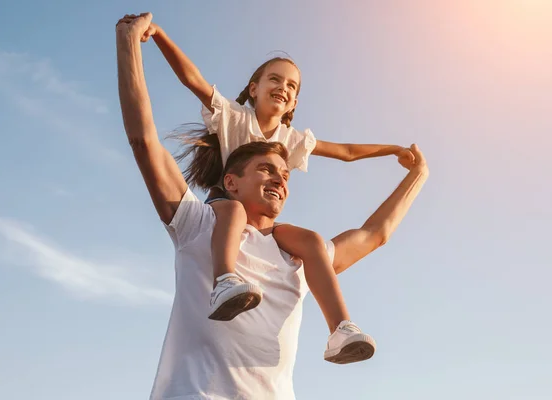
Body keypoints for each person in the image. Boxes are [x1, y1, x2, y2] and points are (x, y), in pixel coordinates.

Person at [117, 12, 429, 399]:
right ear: (254, 87)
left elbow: (373, 229)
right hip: (222, 210)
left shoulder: (297, 256)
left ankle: (340, 328)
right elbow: (149, 134)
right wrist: (140, 39)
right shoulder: (201, 221)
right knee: (230, 213)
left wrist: (414, 170)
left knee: (312, 240)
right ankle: (225, 279)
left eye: (285, 174)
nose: (281, 178)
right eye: (267, 169)